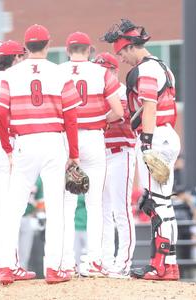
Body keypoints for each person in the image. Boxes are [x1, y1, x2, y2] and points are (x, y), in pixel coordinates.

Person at [0, 24, 81, 285]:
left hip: (24, 141)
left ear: (25, 46)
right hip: (53, 141)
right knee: (56, 207)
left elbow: (0, 114)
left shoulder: (9, 75)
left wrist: (7, 147)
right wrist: (74, 153)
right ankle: (54, 269)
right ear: (47, 44)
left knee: (14, 207)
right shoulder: (59, 73)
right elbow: (71, 117)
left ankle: (7, 267)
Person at [103, 18, 180, 280]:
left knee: (154, 203)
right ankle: (169, 263)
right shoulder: (162, 66)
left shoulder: (146, 70)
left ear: (131, 47)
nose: (121, 57)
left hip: (155, 135)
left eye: (122, 51)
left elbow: (149, 106)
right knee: (164, 203)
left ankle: (159, 265)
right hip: (167, 133)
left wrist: (146, 143)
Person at [60, 33, 124, 278]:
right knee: (94, 202)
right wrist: (101, 121)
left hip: (66, 138)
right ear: (89, 51)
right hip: (94, 136)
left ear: (68, 49)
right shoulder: (101, 73)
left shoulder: (58, 71)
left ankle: (65, 261)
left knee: (65, 203)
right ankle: (95, 260)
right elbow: (118, 111)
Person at [0, 40, 33, 281]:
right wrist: (8, 147)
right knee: (9, 209)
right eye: (20, 56)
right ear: (14, 59)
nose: (23, 60)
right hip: (5, 144)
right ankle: (8, 265)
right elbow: (8, 115)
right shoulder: (9, 79)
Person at [94, 52, 136, 278]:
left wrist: (93, 116)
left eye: (105, 69)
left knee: (121, 210)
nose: (101, 73)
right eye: (98, 69)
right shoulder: (95, 93)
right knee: (102, 211)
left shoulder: (121, 91)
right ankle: (105, 260)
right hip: (101, 156)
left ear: (113, 70)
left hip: (121, 153)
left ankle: (123, 263)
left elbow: (119, 113)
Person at [19, 177, 43, 270]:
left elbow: (40, 201)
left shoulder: (38, 179)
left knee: (25, 251)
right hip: (12, 218)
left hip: (28, 216)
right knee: (11, 250)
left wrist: (40, 216)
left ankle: (22, 270)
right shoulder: (15, 172)